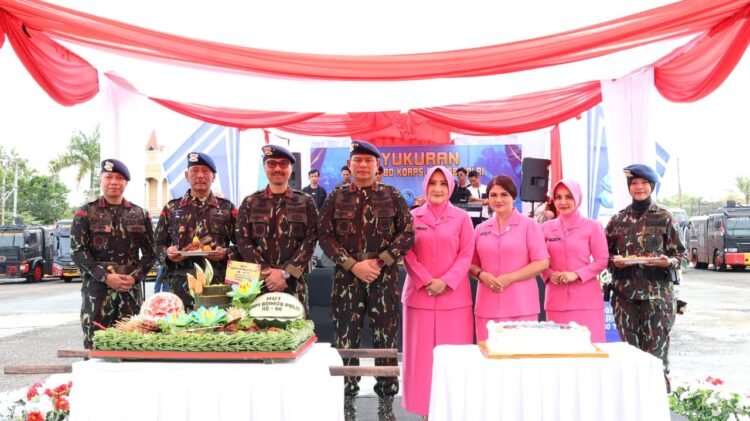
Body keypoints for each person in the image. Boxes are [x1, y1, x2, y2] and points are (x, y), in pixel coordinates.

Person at [318, 140, 414, 421]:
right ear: (349, 165)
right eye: (357, 160)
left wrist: (379, 261)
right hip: (346, 279)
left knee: (385, 341)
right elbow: (325, 235)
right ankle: (347, 401)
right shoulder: (336, 197)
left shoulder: (392, 196)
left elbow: (407, 233)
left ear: (377, 166)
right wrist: (353, 265)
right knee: (347, 341)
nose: (362, 165)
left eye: (368, 161)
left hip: (383, 278)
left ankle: (386, 402)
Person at [402, 166, 474, 418]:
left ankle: (452, 412)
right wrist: (425, 280)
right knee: (421, 360)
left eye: (443, 183)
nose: (437, 188)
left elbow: (466, 254)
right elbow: (406, 252)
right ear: (425, 185)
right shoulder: (412, 217)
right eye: (432, 183)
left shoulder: (462, 219)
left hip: (454, 299)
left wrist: (446, 281)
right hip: (419, 297)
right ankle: (424, 411)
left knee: (453, 360)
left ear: (451, 187)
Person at [605, 164, 686, 388]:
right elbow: (604, 255)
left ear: (652, 186)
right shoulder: (617, 220)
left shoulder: (665, 217)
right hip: (625, 297)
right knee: (629, 355)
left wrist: (668, 262)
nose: (639, 187)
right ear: (628, 187)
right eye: (634, 183)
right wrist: (614, 261)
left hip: (657, 297)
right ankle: (632, 402)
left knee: (656, 357)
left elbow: (682, 256)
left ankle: (658, 401)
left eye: (644, 183)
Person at [71, 159, 155, 349]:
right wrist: (105, 277)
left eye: (119, 178)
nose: (114, 182)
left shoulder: (140, 214)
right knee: (96, 343)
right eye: (109, 177)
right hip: (97, 291)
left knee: (133, 343)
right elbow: (77, 251)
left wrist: (135, 277)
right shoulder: (85, 213)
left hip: (129, 291)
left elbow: (151, 252)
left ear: (126, 182)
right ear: (100, 180)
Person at [236, 145, 319, 310]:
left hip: (293, 281)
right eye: (272, 164)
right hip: (258, 284)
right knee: (258, 325)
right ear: (264, 167)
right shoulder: (250, 202)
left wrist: (284, 273)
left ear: (291, 168)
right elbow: (242, 240)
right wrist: (267, 272)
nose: (277, 169)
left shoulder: (305, 201)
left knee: (297, 325)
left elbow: (311, 239)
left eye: (283, 164)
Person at [469, 175, 549, 341]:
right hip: (487, 307)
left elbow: (542, 262)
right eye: (493, 195)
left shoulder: (529, 225)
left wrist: (510, 278)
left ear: (513, 196)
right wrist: (482, 275)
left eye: (504, 194)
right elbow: (471, 264)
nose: (498, 199)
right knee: (488, 354)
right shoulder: (480, 229)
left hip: (522, 307)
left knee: (520, 355)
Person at [154, 152, 238, 309]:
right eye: (194, 171)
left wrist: (226, 253)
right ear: (187, 176)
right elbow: (157, 244)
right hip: (180, 284)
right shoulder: (172, 208)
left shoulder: (227, 208)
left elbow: (243, 245)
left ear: (213, 177)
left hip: (217, 286)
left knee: (216, 324)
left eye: (205, 171)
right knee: (181, 324)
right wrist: (167, 254)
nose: (200, 175)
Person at [541, 179, 609, 342]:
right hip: (555, 299)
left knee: (589, 348)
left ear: (578, 198)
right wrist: (549, 274)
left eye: (569, 196)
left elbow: (602, 260)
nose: (563, 202)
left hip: (586, 300)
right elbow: (539, 259)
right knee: (559, 349)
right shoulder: (545, 228)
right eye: (558, 197)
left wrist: (576, 274)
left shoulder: (592, 226)